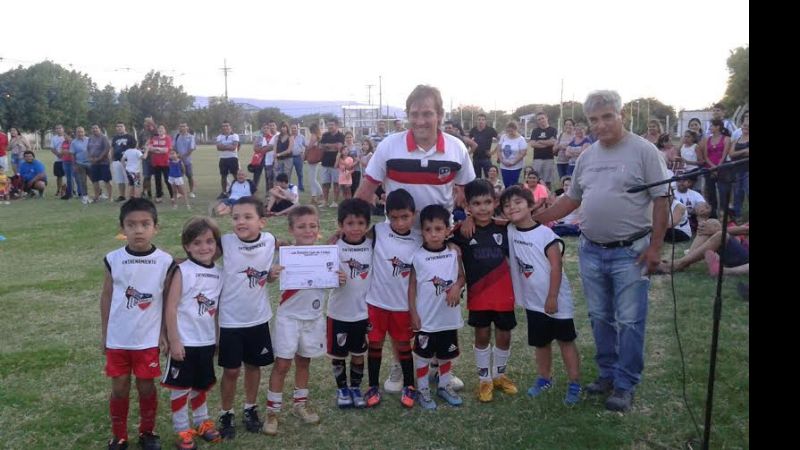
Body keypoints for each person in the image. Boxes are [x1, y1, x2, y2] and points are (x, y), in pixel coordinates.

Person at [532, 90, 669, 412]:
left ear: (622, 115)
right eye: (594, 119)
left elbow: (661, 201)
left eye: (608, 116)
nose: (601, 124)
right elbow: (572, 199)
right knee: (599, 317)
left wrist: (655, 248)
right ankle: (607, 374)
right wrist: (536, 217)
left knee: (631, 320)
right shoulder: (588, 156)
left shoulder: (644, 152)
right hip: (591, 250)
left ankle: (625, 384)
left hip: (630, 252)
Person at [356, 84, 474, 391]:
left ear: (441, 115)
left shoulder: (456, 148)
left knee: (440, 298)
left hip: (438, 238)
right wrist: (348, 229)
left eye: (428, 113)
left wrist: (470, 221)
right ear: (407, 115)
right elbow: (365, 191)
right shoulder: (389, 147)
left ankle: (439, 366)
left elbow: (468, 192)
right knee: (402, 305)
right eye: (414, 114)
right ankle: (400, 366)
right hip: (400, 237)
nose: (420, 120)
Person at [264, 206, 345, 435]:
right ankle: (273, 411)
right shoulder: (285, 253)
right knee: (282, 364)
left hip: (313, 317)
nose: (308, 230)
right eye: (301, 226)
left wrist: (340, 278)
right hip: (288, 318)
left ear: (318, 229)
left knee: (304, 361)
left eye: (313, 226)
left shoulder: (325, 255)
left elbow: (334, 280)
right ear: (292, 229)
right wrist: (271, 275)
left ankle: (300, 404)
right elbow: (269, 280)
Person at [101, 198, 174, 450]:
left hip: (147, 339)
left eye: (145, 224)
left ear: (156, 227)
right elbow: (107, 296)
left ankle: (147, 431)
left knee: (145, 386)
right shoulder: (113, 259)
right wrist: (104, 334)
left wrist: (164, 332)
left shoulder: (165, 261)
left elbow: (168, 300)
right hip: (118, 338)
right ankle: (119, 435)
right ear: (123, 228)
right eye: (131, 225)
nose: (138, 230)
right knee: (120, 387)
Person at [502, 186, 582, 405]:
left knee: (565, 341)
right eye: (507, 205)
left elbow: (556, 267)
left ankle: (575, 382)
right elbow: (489, 220)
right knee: (541, 342)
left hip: (555, 300)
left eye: (518, 202)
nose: (512, 208)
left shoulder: (546, 234)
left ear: (531, 205)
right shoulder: (509, 230)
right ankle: (544, 378)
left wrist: (552, 296)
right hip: (533, 302)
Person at [450, 179, 517, 403]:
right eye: (476, 204)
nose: (483, 208)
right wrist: (462, 226)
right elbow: (442, 241)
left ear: (495, 202)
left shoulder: (505, 227)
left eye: (487, 202)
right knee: (481, 335)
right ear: (467, 206)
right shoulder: (462, 231)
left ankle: (499, 375)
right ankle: (484, 379)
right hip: (478, 294)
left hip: (503, 293)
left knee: (504, 334)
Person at [216, 197, 278, 439]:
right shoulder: (226, 242)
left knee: (254, 366)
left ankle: (250, 408)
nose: (240, 221)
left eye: (247, 217)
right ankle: (226, 412)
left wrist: (272, 275)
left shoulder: (270, 240)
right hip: (231, 320)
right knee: (231, 371)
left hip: (258, 318)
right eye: (235, 217)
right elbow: (203, 259)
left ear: (262, 222)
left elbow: (267, 276)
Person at [162, 217, 223, 449]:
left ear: (216, 245)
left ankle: (202, 422)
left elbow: (216, 310)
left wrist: (216, 338)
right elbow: (171, 306)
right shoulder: (182, 271)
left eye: (209, 242)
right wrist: (174, 339)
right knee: (181, 387)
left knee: (200, 385)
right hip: (184, 341)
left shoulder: (219, 273)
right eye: (197, 243)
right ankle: (182, 430)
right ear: (187, 246)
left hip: (205, 341)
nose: (204, 247)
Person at [362, 189, 422, 408]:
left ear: (413, 214)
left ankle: (409, 385)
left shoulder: (419, 238)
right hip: (376, 303)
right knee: (375, 344)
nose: (399, 222)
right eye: (394, 217)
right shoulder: (378, 231)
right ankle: (372, 386)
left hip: (402, 306)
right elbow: (356, 239)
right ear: (387, 215)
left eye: (404, 217)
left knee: (403, 345)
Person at [408, 204, 466, 409]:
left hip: (448, 318)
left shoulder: (453, 253)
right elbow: (412, 287)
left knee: (446, 354)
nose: (433, 234)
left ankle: (444, 385)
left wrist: (456, 288)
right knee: (423, 356)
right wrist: (413, 313)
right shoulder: (417, 256)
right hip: (426, 320)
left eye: (438, 229)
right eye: (428, 229)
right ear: (421, 231)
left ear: (448, 230)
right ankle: (423, 390)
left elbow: (461, 277)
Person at [327, 199, 373, 409]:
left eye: (361, 223)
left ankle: (355, 388)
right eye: (350, 223)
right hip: (338, 312)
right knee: (338, 355)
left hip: (362, 313)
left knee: (358, 353)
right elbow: (322, 274)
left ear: (368, 225)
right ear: (340, 225)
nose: (356, 228)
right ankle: (342, 389)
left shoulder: (372, 244)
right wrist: (332, 278)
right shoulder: (333, 246)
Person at [320, 118, 345, 208]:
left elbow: (339, 147)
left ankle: (335, 202)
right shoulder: (325, 135)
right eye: (329, 125)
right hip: (325, 162)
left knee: (336, 183)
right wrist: (332, 146)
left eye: (332, 125)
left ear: (337, 125)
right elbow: (321, 146)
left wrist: (327, 145)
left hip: (336, 163)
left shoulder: (341, 136)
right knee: (325, 183)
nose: (330, 126)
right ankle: (325, 201)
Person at [529, 112, 558, 190]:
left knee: (548, 181)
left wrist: (540, 141)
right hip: (537, 159)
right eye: (539, 119)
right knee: (537, 179)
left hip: (549, 158)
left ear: (546, 118)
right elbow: (532, 144)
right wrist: (547, 143)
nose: (541, 120)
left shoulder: (553, 130)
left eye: (542, 118)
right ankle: (537, 197)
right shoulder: (535, 131)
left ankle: (547, 199)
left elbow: (553, 142)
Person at [496, 120, 528, 188]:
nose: (510, 133)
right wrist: (502, 161)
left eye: (511, 131)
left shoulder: (521, 139)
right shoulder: (503, 137)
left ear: (516, 129)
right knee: (506, 184)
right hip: (504, 165)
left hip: (516, 166)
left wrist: (513, 162)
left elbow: (523, 153)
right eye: (508, 131)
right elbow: (498, 150)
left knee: (514, 185)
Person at [111, 123, 137, 202]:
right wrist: (111, 158)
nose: (119, 128)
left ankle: (132, 195)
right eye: (117, 126)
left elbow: (134, 148)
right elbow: (112, 148)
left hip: (127, 161)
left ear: (124, 127)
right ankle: (122, 196)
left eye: (121, 126)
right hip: (117, 160)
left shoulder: (130, 137)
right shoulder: (115, 138)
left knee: (130, 179)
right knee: (120, 179)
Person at [88, 124, 114, 202]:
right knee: (95, 180)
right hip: (94, 163)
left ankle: (110, 197)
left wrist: (99, 158)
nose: (94, 129)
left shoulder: (104, 138)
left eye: (96, 128)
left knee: (107, 180)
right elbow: (88, 148)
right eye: (93, 128)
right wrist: (90, 158)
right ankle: (96, 197)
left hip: (103, 163)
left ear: (99, 129)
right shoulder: (90, 138)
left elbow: (107, 149)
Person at [215, 121, 240, 200]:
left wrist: (224, 146)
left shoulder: (235, 136)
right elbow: (218, 148)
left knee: (235, 175)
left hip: (233, 158)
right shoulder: (219, 136)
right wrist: (229, 146)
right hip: (223, 159)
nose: (225, 127)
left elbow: (234, 147)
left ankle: (238, 191)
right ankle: (224, 192)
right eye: (223, 126)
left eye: (227, 126)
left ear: (230, 127)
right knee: (223, 176)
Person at [468, 113, 498, 178]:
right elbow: (468, 142)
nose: (481, 121)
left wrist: (492, 152)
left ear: (485, 121)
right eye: (479, 119)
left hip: (486, 158)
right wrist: (471, 149)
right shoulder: (473, 130)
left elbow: (501, 141)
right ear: (476, 121)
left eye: (483, 119)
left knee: (489, 178)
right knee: (477, 178)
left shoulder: (490, 130)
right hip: (476, 158)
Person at [174, 123, 197, 198]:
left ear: (187, 127)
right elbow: (174, 147)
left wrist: (183, 156)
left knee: (189, 176)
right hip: (177, 160)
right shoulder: (177, 136)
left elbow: (191, 149)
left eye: (184, 126)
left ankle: (191, 192)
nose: (182, 128)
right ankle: (179, 192)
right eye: (180, 126)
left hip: (187, 161)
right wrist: (176, 156)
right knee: (177, 177)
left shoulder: (191, 137)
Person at [71, 126, 91, 204]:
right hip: (80, 164)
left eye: (81, 132)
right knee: (82, 181)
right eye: (78, 132)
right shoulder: (73, 142)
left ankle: (98, 194)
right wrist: (74, 165)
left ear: (84, 132)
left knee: (94, 179)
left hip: (90, 163)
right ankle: (85, 196)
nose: (80, 133)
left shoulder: (89, 140)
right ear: (76, 133)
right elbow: (72, 154)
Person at [138, 118, 158, 199]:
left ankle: (159, 192)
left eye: (149, 122)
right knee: (147, 176)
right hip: (146, 157)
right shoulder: (142, 133)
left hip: (156, 156)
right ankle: (146, 192)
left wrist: (153, 129)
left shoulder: (156, 132)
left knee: (157, 175)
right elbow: (139, 144)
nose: (147, 123)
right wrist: (142, 148)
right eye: (145, 122)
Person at [305, 123, 323, 207]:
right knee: (313, 178)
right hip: (315, 159)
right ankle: (314, 197)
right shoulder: (318, 136)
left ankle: (320, 194)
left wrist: (305, 147)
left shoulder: (313, 136)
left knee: (312, 179)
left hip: (312, 158)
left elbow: (309, 146)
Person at [335, 137, 355, 201]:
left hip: (348, 176)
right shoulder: (339, 159)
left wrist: (349, 173)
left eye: (347, 150)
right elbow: (335, 166)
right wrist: (338, 159)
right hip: (341, 176)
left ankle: (349, 202)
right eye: (344, 150)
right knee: (343, 190)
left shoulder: (350, 159)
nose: (345, 151)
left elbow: (351, 168)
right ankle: (345, 201)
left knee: (348, 190)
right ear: (341, 151)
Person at [50, 124, 66, 197]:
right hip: (58, 160)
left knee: (69, 176)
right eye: (57, 128)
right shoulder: (54, 138)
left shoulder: (66, 137)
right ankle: (59, 190)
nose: (58, 130)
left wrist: (64, 154)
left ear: (63, 129)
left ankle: (70, 190)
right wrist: (58, 154)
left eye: (60, 128)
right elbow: (52, 148)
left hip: (67, 160)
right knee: (59, 176)